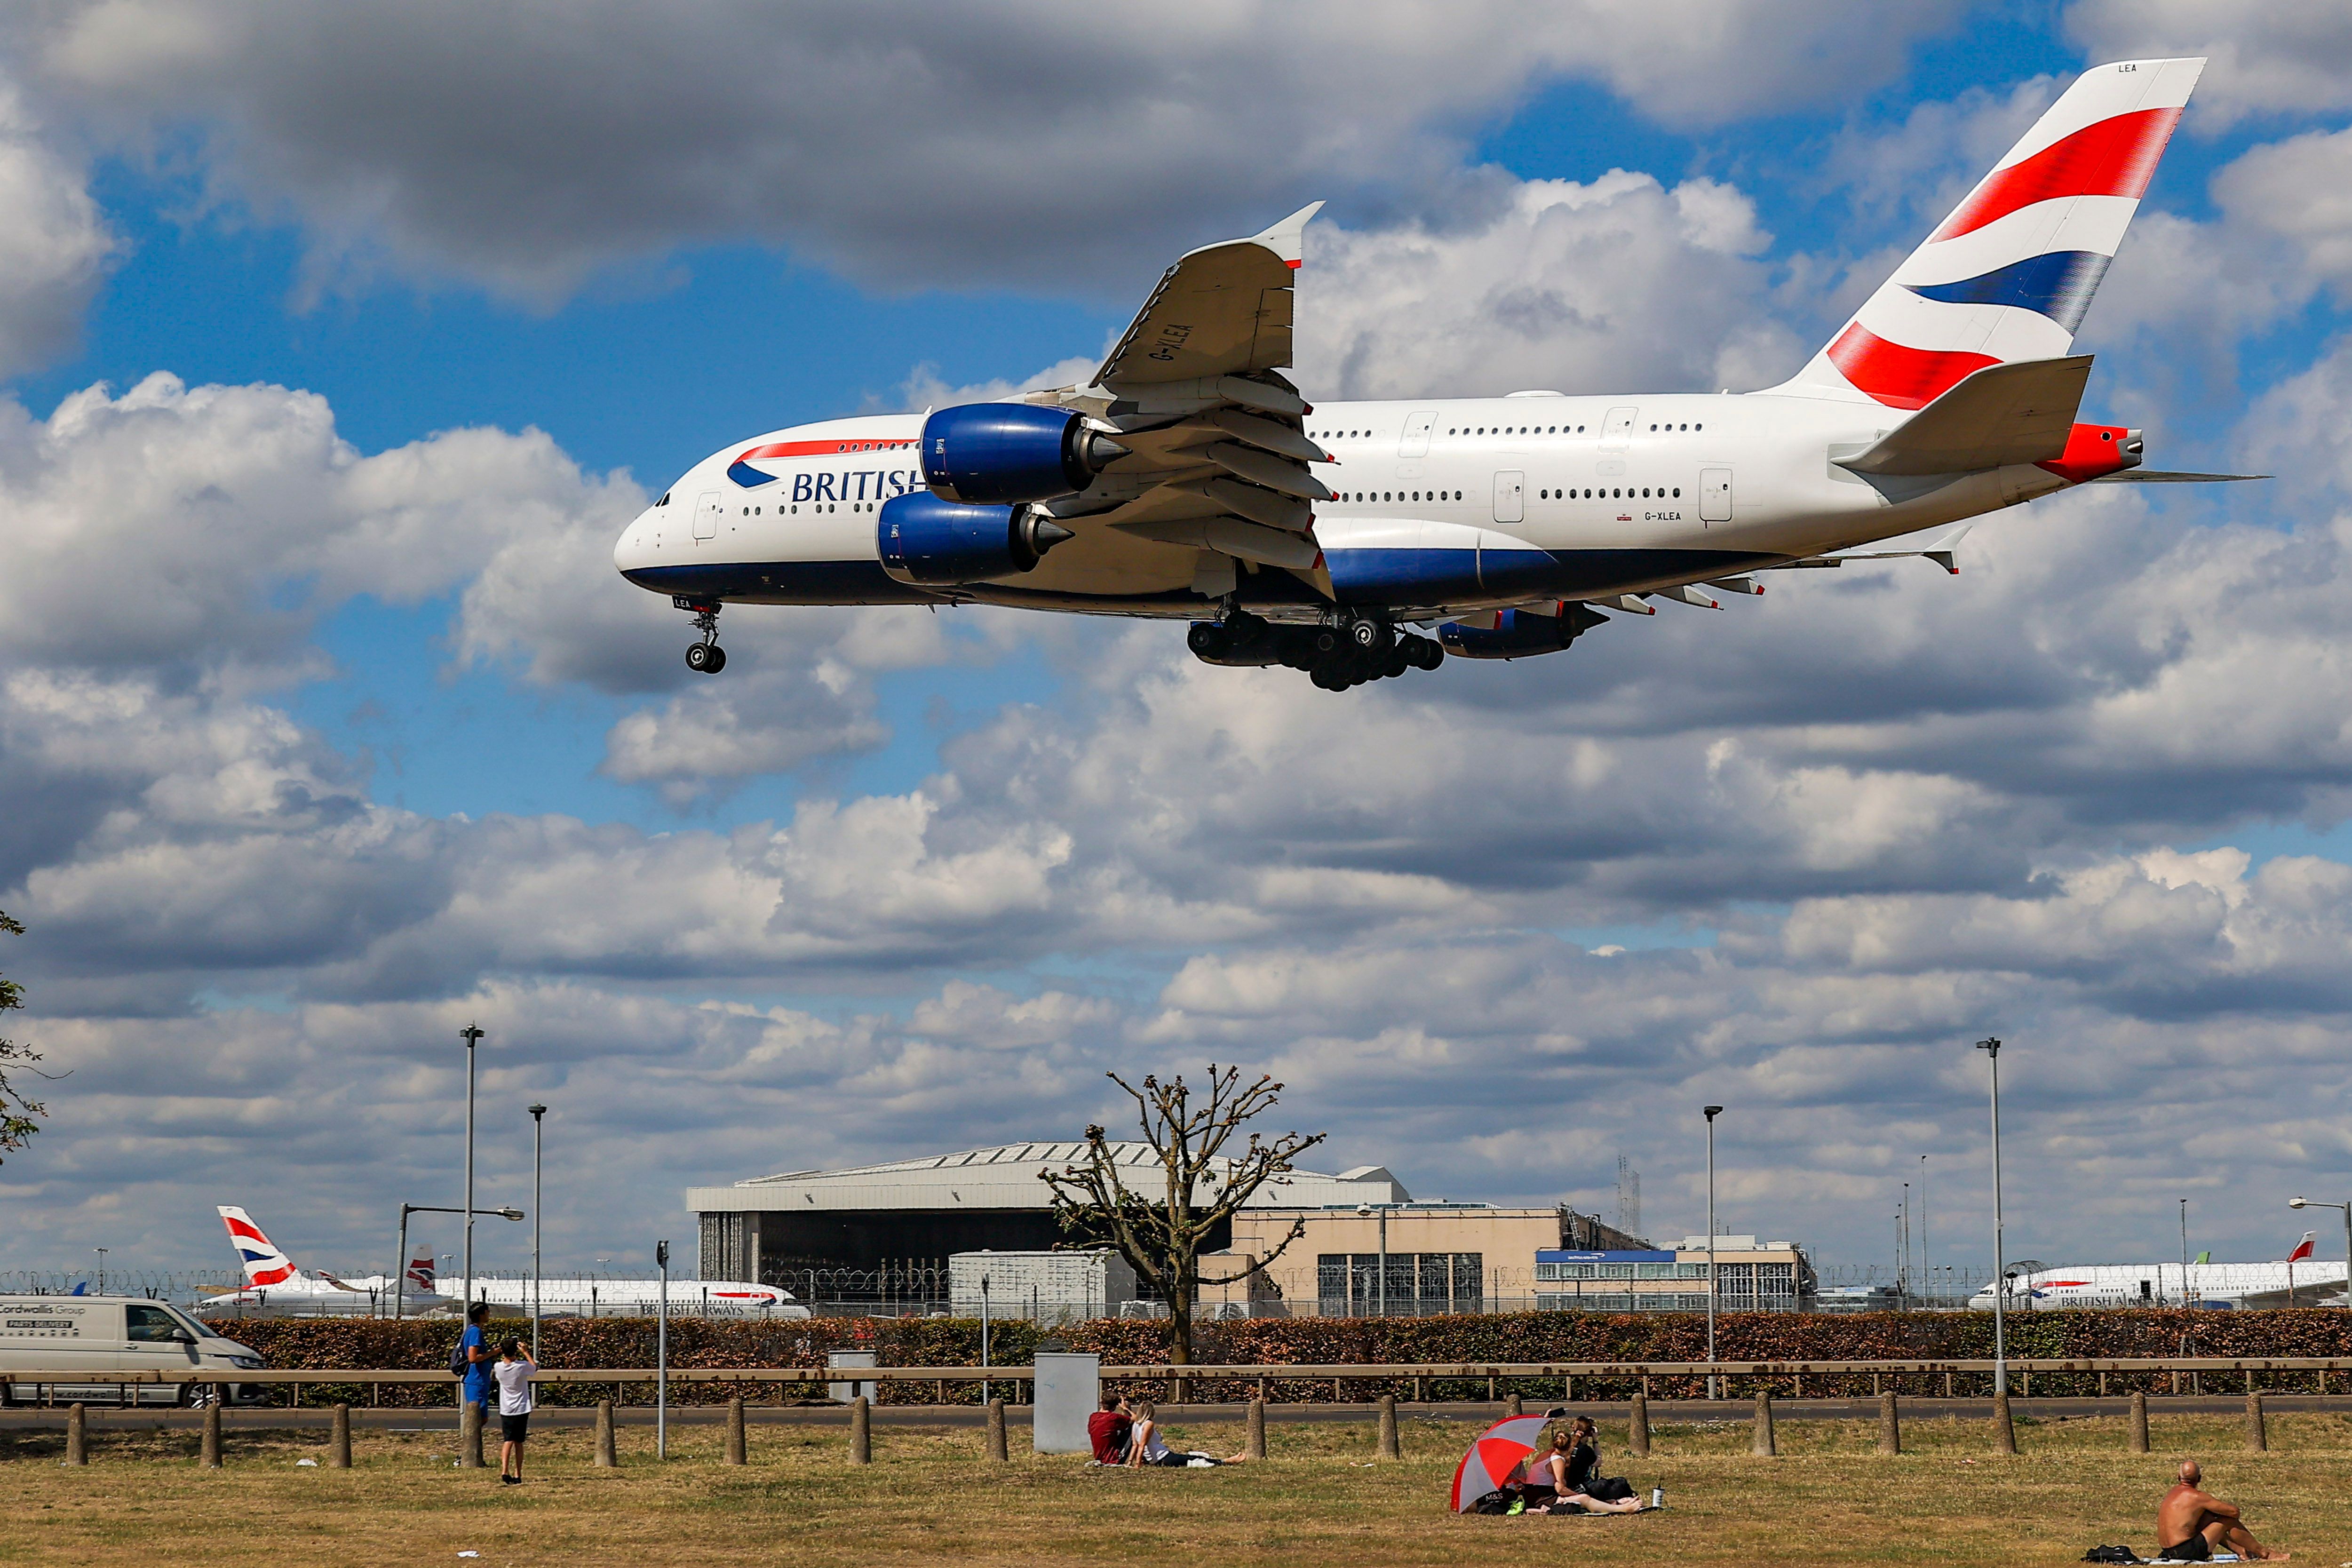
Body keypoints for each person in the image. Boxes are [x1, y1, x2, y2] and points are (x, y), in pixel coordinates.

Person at [2155, 1459, 2288, 1561]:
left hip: (2169, 1552)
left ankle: (2243, 1553)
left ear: (2178, 1477)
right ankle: (2265, 1553)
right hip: (2186, 1552)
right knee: (2226, 1522)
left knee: (2206, 1520)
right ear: (2200, 1479)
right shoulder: (2197, 1497)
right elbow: (2234, 1512)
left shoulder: (2172, 1493)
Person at [1125, 1401, 1248, 1467]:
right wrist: (1137, 1465)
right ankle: (1227, 1461)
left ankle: (1225, 1460)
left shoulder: (1136, 1424)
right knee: (1196, 1459)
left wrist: (1130, 1462)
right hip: (1163, 1457)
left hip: (1160, 1458)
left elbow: (1135, 1445)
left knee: (1189, 1457)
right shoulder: (1149, 1424)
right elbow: (1141, 1445)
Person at [494, 1338, 536, 1485]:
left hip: (506, 1408)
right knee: (519, 1442)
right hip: (521, 1407)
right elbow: (534, 1368)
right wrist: (525, 1352)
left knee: (508, 1440)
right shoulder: (521, 1366)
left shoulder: (498, 1367)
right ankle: (518, 1473)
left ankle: (505, 1470)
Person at [459, 1302, 495, 1452]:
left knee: (482, 1418)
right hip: (476, 1380)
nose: (489, 1314)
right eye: (487, 1312)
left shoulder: (473, 1331)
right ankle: (466, 1452)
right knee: (476, 1419)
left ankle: (472, 1451)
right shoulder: (475, 1332)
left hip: (480, 1380)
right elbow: (473, 1358)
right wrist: (494, 1353)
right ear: (481, 1314)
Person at [1087, 1392, 1132, 1465]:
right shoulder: (1114, 1418)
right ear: (1115, 1406)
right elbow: (1135, 1419)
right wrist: (1125, 1409)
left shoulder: (1093, 1417)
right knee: (1133, 1427)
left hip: (1099, 1456)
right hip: (1113, 1458)